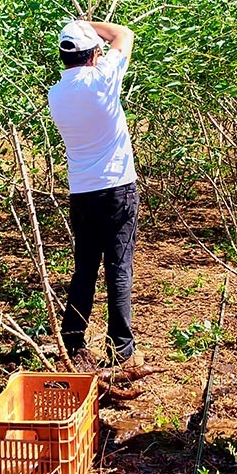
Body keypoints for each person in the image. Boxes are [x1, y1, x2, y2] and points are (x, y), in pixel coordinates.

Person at [47, 20, 144, 371]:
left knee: (85, 269)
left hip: (82, 194)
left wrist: (84, 35)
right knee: (119, 267)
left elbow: (106, 49)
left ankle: (72, 340)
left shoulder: (55, 94)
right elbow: (125, 35)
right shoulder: (103, 78)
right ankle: (122, 351)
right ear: (94, 55)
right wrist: (89, 24)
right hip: (118, 189)